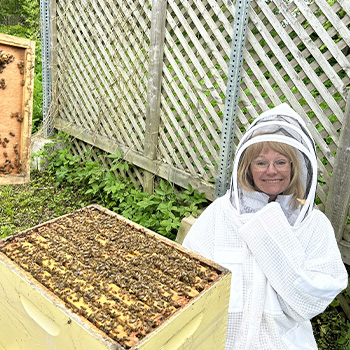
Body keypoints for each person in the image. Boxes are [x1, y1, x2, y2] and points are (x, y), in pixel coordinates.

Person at [182, 103, 348, 349]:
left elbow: (315, 295)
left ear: (294, 167)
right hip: (223, 340)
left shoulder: (314, 224)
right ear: (247, 168)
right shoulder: (221, 213)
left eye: (281, 162)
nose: (271, 171)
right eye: (261, 163)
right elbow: (188, 273)